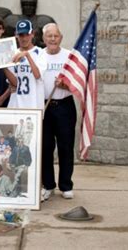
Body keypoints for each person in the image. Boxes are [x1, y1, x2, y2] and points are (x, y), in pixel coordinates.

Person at [40, 23, 77, 202]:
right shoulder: (38, 55)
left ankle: (66, 185)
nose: (52, 39)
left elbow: (78, 82)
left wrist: (66, 85)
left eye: (55, 36)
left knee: (65, 147)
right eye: (49, 36)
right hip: (44, 106)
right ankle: (48, 185)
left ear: (61, 38)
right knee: (46, 148)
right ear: (44, 39)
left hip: (65, 106)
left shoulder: (70, 56)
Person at [4, 20, 46, 111]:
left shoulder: (40, 52)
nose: (24, 38)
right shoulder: (12, 53)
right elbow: (15, 83)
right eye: (21, 35)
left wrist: (27, 55)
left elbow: (38, 75)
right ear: (16, 35)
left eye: (27, 34)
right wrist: (3, 66)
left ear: (32, 34)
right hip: (16, 104)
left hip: (34, 104)